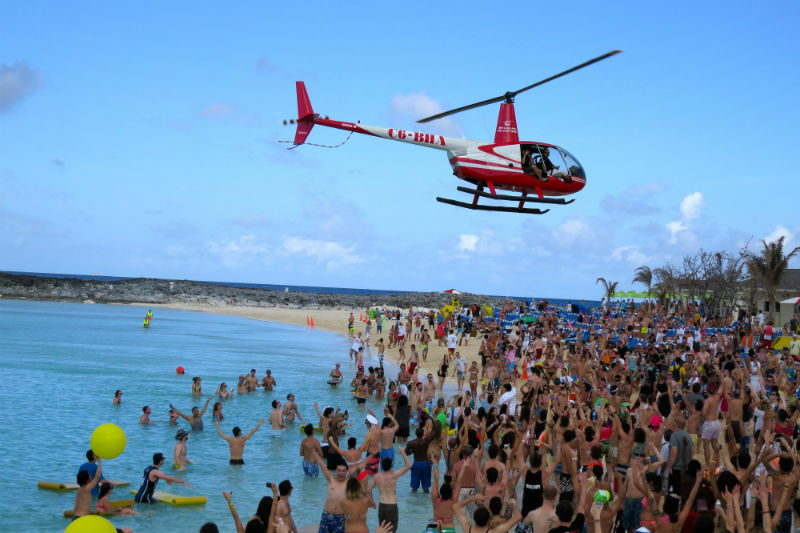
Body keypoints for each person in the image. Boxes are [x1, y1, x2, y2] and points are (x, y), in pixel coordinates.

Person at [368, 448, 412, 533]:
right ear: (391, 466)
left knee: (383, 529)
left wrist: (372, 502)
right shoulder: (394, 475)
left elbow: (369, 490)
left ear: (382, 466)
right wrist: (403, 452)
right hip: (392, 506)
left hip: (381, 505)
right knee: (392, 530)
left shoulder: (377, 476)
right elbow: (409, 465)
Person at [313, 449, 349, 533]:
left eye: (343, 471)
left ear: (347, 472)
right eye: (339, 470)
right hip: (326, 515)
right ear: (336, 471)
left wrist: (371, 456)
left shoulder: (348, 482)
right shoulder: (331, 479)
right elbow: (322, 464)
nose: (341, 473)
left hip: (340, 518)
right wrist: (313, 450)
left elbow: (359, 470)